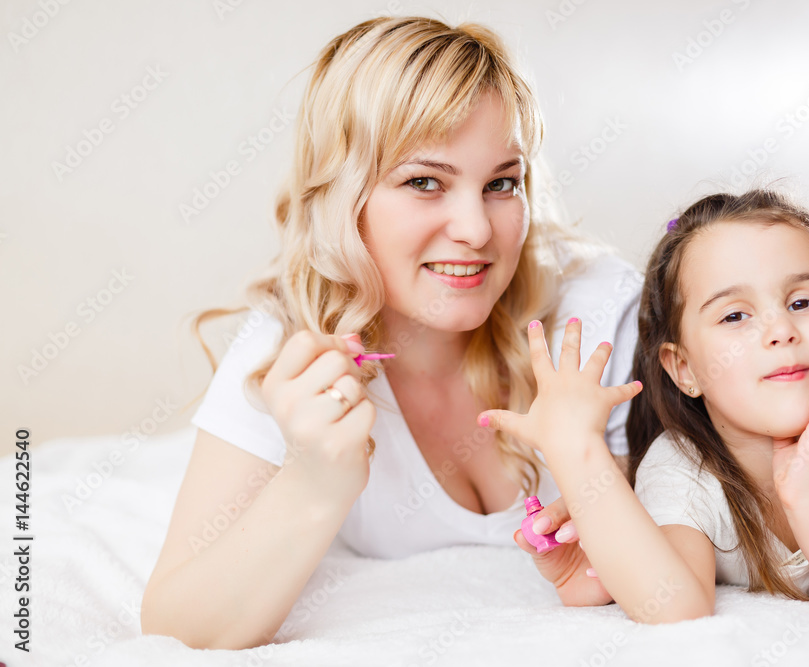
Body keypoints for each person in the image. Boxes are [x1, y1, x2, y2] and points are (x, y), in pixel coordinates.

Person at [140, 16, 642, 649]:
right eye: (424, 182)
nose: (476, 230)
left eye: (500, 184)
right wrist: (315, 480)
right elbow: (175, 623)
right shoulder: (289, 352)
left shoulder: (594, 313)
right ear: (344, 200)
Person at [479, 189, 809, 622]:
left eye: (802, 302)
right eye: (735, 315)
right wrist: (577, 454)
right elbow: (675, 604)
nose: (779, 329)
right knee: (799, 355)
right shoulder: (682, 466)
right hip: (799, 367)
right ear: (685, 370)